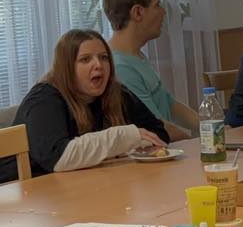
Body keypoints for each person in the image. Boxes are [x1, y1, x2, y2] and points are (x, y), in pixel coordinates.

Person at [0, 29, 168, 183]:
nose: (98, 65)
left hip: (80, 185)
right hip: (19, 192)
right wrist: (123, 138)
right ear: (67, 68)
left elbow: (158, 133)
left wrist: (128, 146)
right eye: (85, 59)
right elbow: (59, 158)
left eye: (104, 57)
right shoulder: (44, 98)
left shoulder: (115, 92)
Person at [104, 0, 199, 139]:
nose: (163, 12)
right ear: (138, 12)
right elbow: (155, 125)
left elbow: (169, 104)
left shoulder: (136, 56)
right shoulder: (121, 67)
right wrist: (197, 144)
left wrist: (213, 128)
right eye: (157, 5)